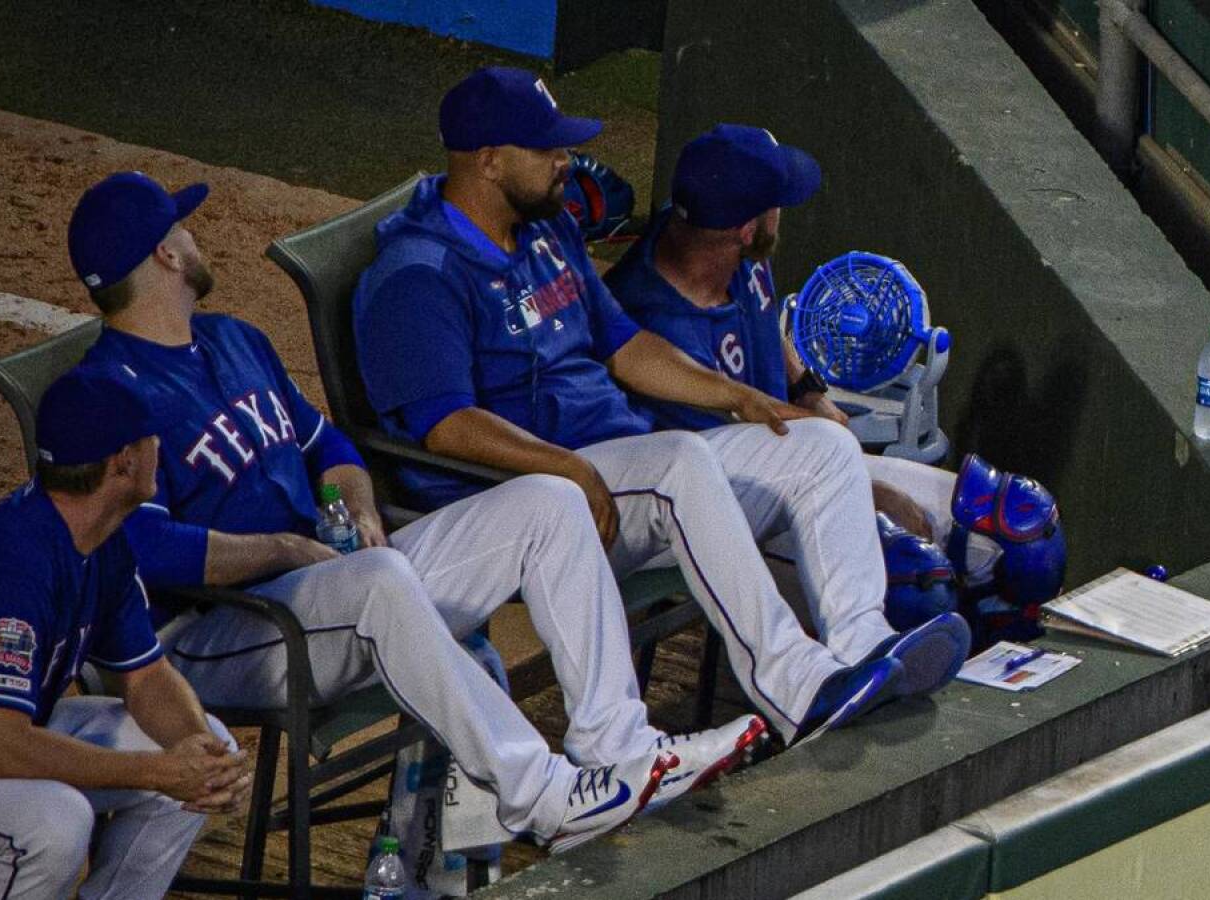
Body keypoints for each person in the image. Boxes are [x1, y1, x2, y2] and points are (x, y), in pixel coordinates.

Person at [68, 171, 761, 853]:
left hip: (331, 587)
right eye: (183, 228)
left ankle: (619, 742)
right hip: (216, 633)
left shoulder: (232, 338)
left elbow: (328, 445)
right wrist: (289, 550)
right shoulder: (107, 394)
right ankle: (539, 792)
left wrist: (356, 507)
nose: (195, 238)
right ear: (165, 253)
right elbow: (147, 550)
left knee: (549, 500)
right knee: (381, 584)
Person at [353, 67, 971, 747]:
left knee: (821, 448)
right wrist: (567, 469)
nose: (567, 161)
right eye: (547, 150)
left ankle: (861, 647)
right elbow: (447, 427)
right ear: (489, 160)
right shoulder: (418, 275)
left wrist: (738, 396)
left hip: (623, 471)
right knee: (678, 459)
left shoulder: (545, 230)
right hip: (527, 497)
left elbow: (624, 346)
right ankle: (796, 686)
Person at [0, 364, 250, 899]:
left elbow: (146, 678)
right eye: (151, 439)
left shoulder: (101, 536)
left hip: (1, 730)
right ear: (123, 461)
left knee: (199, 748)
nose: (159, 449)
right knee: (54, 826)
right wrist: (156, 772)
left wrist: (197, 756)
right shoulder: (13, 564)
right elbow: (1, 749)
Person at [603, 124, 959, 547]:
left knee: (988, 511)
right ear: (748, 229)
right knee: (919, 560)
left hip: (798, 448)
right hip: (732, 503)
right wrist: (865, 487)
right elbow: (744, 457)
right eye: (776, 204)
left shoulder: (709, 233)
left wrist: (807, 388)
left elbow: (765, 315)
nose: (782, 211)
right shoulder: (658, 330)